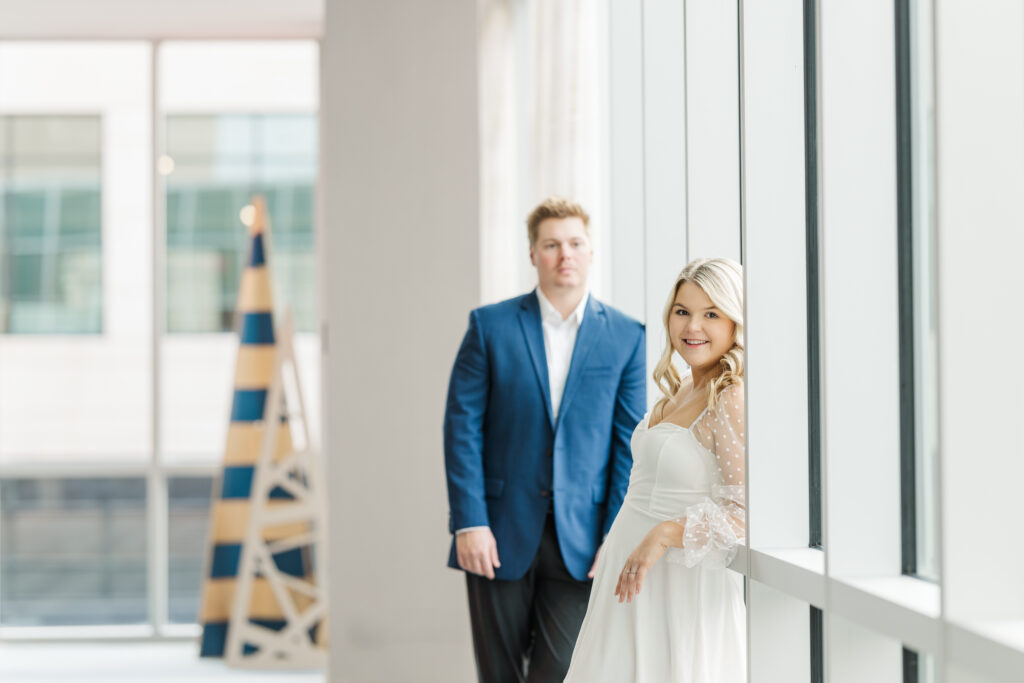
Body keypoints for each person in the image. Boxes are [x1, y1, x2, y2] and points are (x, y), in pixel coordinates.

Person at [444, 196, 646, 682]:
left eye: (575, 243)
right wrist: (469, 521)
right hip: (496, 532)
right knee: (499, 673)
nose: (565, 255)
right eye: (551, 244)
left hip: (583, 540)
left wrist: (614, 535)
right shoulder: (489, 326)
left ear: (591, 251)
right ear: (533, 253)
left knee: (559, 672)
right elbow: (461, 427)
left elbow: (628, 446)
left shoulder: (626, 335)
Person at [564, 257, 746, 683]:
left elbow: (745, 516)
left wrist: (663, 535)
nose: (692, 327)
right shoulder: (682, 385)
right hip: (628, 578)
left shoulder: (730, 398)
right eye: (682, 311)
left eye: (711, 314)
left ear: (735, 323)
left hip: (677, 588)